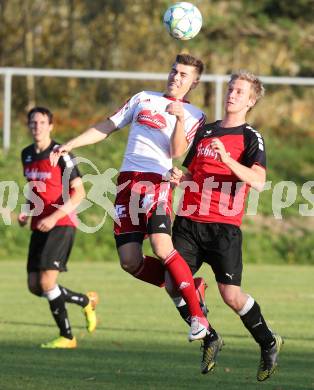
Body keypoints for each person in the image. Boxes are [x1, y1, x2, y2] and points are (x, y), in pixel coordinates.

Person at [50, 53, 213, 341]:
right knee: (130, 262)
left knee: (163, 248)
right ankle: (190, 285)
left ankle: (197, 316)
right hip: (127, 184)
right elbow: (107, 126)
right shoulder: (143, 98)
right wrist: (70, 144)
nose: (176, 77)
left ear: (194, 82)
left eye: (183, 75)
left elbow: (176, 152)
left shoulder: (195, 115)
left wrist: (177, 118)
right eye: (174, 71)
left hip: (157, 182)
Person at [167, 70, 283, 380]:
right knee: (172, 282)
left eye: (240, 91)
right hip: (189, 222)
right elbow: (194, 174)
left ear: (251, 101)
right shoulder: (206, 131)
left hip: (223, 227)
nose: (232, 94)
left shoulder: (249, 137)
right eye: (231, 88)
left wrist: (229, 161)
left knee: (231, 295)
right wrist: (182, 179)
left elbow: (258, 182)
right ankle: (209, 337)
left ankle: (268, 342)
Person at [19, 106, 98, 349]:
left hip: (61, 223)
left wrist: (54, 217)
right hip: (39, 224)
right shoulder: (27, 154)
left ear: (51, 126)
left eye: (42, 122)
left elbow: (80, 193)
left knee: (46, 283)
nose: (37, 127)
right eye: (33, 122)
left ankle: (67, 337)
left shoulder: (61, 153)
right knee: (34, 285)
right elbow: (35, 190)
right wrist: (26, 210)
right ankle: (84, 300)